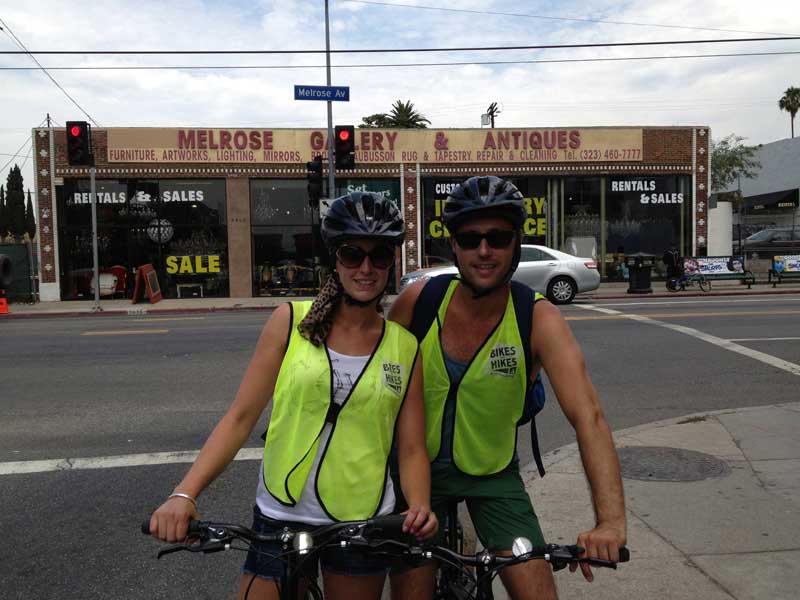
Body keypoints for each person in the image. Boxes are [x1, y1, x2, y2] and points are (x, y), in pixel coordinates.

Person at [147, 191, 437, 600]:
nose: (366, 268)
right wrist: (184, 493)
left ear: (391, 263)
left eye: (380, 256)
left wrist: (419, 505)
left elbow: (410, 448)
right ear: (334, 259)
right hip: (280, 514)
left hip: (362, 518)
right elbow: (240, 419)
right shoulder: (289, 321)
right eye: (353, 254)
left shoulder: (404, 347)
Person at [389, 176, 626, 600]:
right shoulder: (419, 301)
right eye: (470, 239)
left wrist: (609, 522)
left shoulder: (537, 318)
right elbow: (372, 377)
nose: (484, 250)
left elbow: (588, 417)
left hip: (493, 477)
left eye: (497, 238)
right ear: (454, 245)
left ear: (516, 242)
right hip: (415, 478)